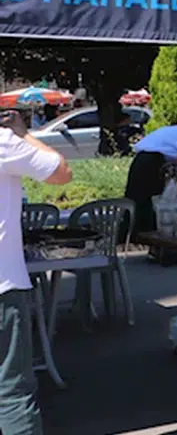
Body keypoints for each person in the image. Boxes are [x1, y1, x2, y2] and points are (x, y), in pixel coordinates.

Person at [0, 110, 72, 435]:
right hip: (3, 287)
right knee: (12, 393)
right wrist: (23, 133)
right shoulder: (4, 143)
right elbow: (61, 172)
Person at [125, 115, 177, 234]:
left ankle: (131, 232)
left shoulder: (173, 131)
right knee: (148, 199)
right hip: (151, 163)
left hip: (140, 160)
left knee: (136, 198)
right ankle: (145, 232)